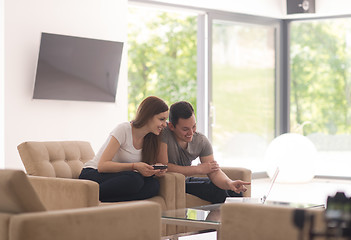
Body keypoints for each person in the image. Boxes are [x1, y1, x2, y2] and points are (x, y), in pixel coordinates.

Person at [158, 101, 250, 204]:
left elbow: (214, 171)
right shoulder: (163, 132)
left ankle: (230, 220)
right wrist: (198, 169)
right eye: (185, 129)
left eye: (193, 127)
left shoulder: (201, 141)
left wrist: (230, 183)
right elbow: (164, 166)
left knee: (234, 193)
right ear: (171, 126)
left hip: (185, 180)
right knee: (219, 192)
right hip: (169, 182)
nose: (191, 133)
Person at [79, 96, 169, 202]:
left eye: (165, 120)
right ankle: (86, 196)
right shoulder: (124, 129)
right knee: (135, 180)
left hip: (118, 178)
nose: (165, 124)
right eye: (161, 119)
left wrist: (153, 170)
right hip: (94, 174)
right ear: (148, 116)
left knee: (153, 185)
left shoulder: (151, 138)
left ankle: (106, 199)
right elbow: (102, 166)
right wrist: (134, 166)